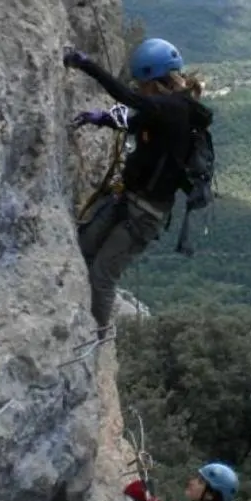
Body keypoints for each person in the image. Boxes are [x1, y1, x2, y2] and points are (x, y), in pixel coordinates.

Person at [62, 38, 212, 337]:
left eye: (141, 83)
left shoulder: (173, 107)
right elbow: (140, 123)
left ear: (154, 82)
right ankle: (90, 325)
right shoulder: (169, 109)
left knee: (102, 275)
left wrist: (86, 65)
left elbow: (129, 99)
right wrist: (103, 119)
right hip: (130, 202)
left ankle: (97, 338)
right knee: (83, 248)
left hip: (143, 216)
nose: (139, 89)